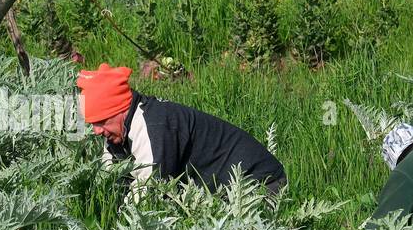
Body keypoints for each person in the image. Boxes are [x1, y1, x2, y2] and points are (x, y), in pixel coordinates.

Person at [75, 63, 286, 194]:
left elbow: (147, 190)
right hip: (224, 191)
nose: (96, 130)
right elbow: (111, 179)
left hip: (261, 184)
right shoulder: (119, 129)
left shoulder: (152, 125)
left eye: (101, 121)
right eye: (92, 123)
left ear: (119, 110)